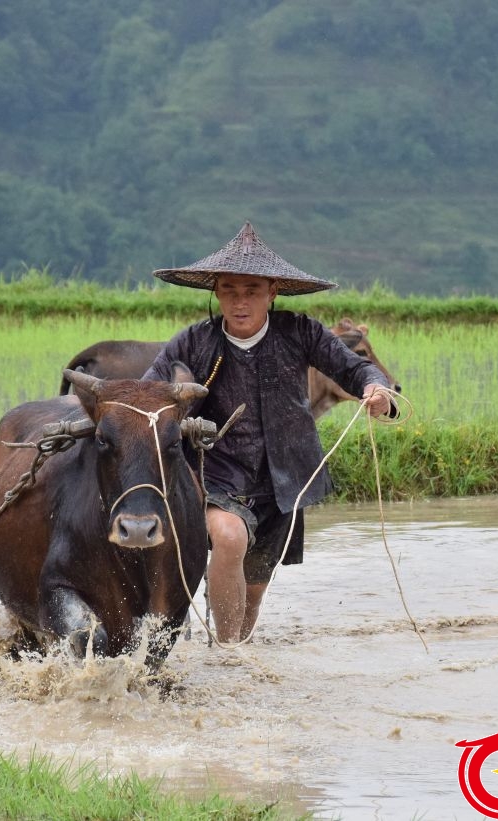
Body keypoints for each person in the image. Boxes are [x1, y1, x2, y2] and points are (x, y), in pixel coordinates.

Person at [143, 222, 393, 643]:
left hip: (285, 478)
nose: (240, 302)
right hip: (217, 472)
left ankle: (239, 649)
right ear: (217, 292)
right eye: (229, 291)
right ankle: (226, 654)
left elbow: (355, 367)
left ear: (272, 291)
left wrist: (374, 386)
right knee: (228, 536)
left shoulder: (301, 333)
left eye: (252, 291)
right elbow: (149, 389)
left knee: (254, 590)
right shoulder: (194, 343)